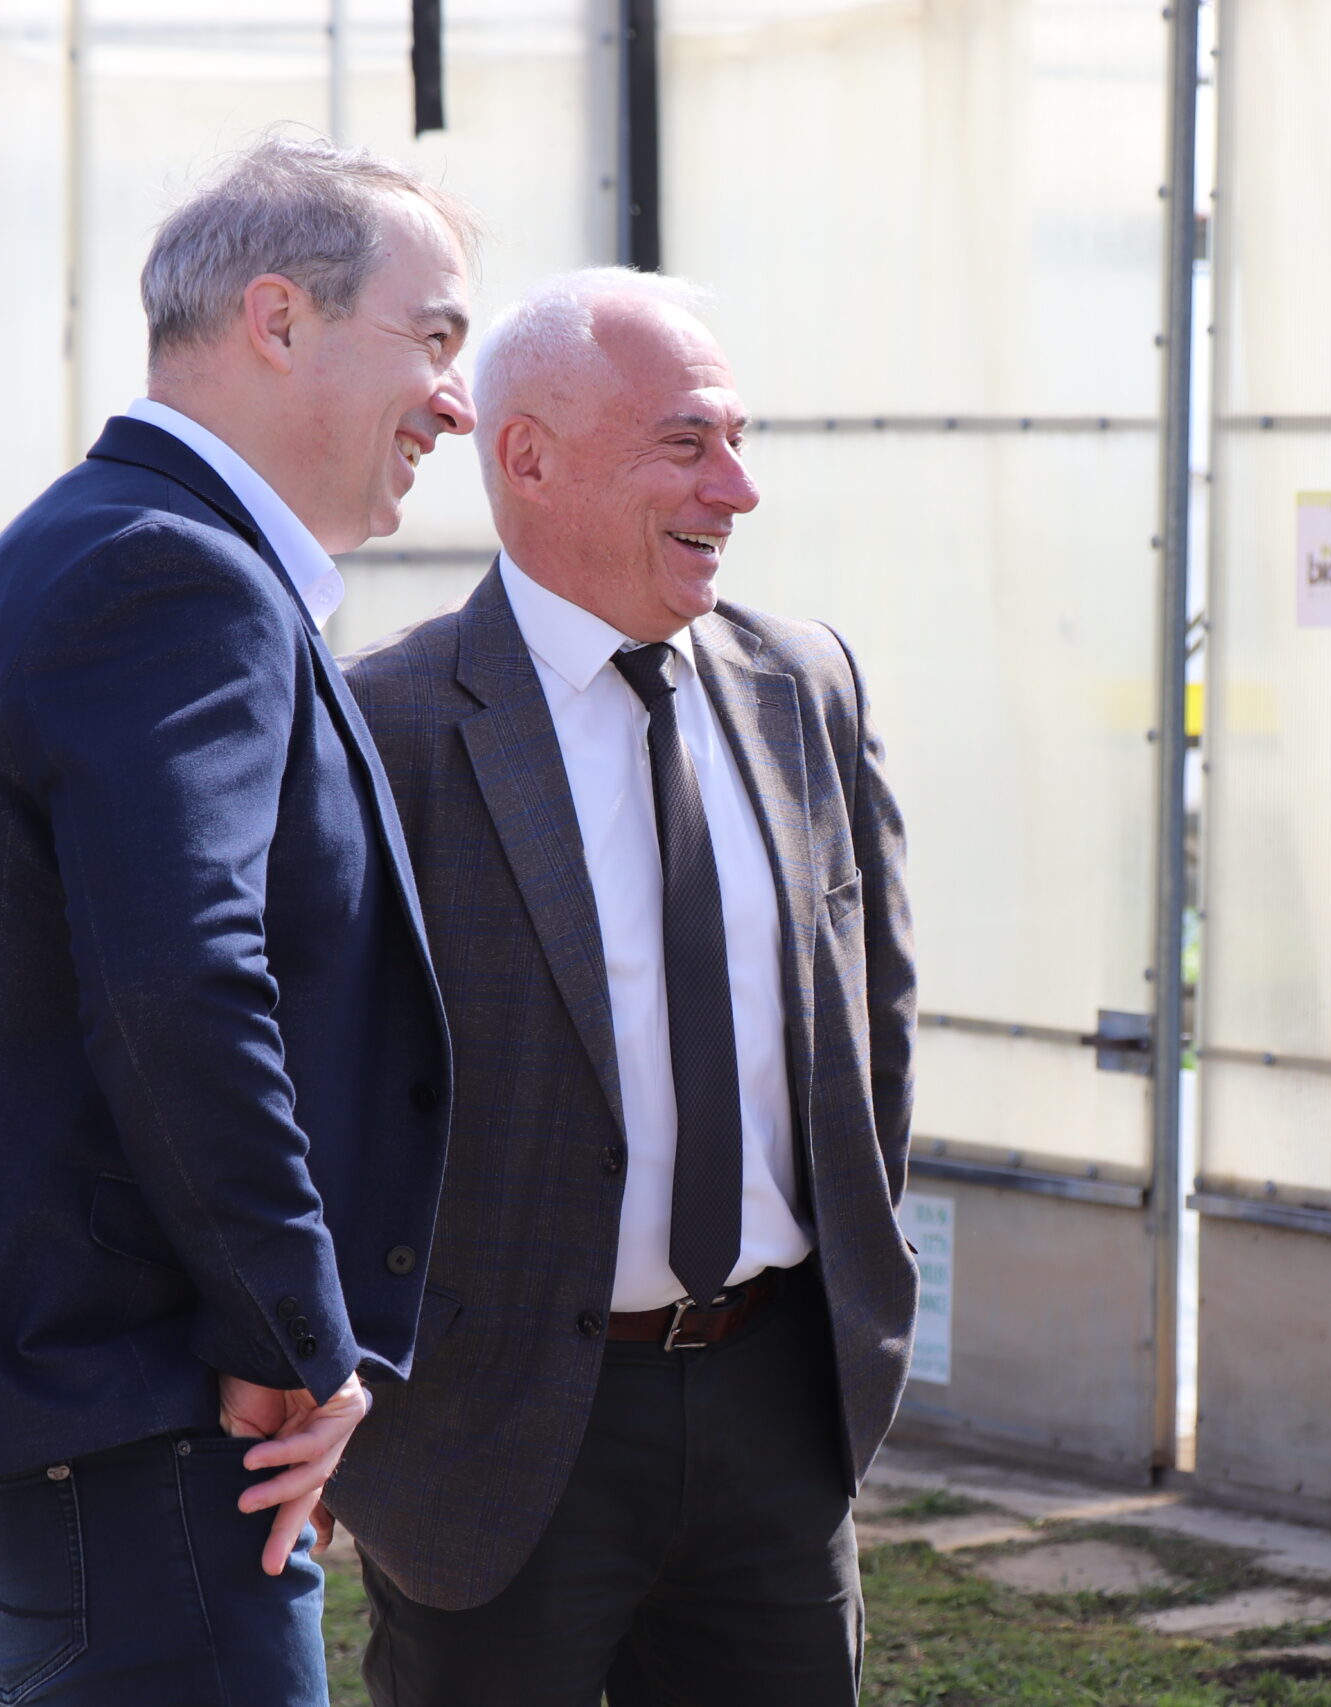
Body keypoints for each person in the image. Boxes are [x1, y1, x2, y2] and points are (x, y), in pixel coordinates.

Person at [0, 137, 478, 1706]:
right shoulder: (176, 576)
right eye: (433, 338)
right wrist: (299, 1342)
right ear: (278, 319)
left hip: (78, 1445)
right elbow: (181, 988)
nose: (458, 402)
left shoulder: (108, 541)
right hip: (138, 1437)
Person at [333, 267, 917, 1706]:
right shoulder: (385, 726)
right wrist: (334, 1374)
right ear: (528, 459)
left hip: (776, 1406)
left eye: (739, 439)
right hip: (491, 1435)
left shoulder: (804, 686)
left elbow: (874, 1021)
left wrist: (855, 1299)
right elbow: (319, 1093)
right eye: (686, 443)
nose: (738, 488)